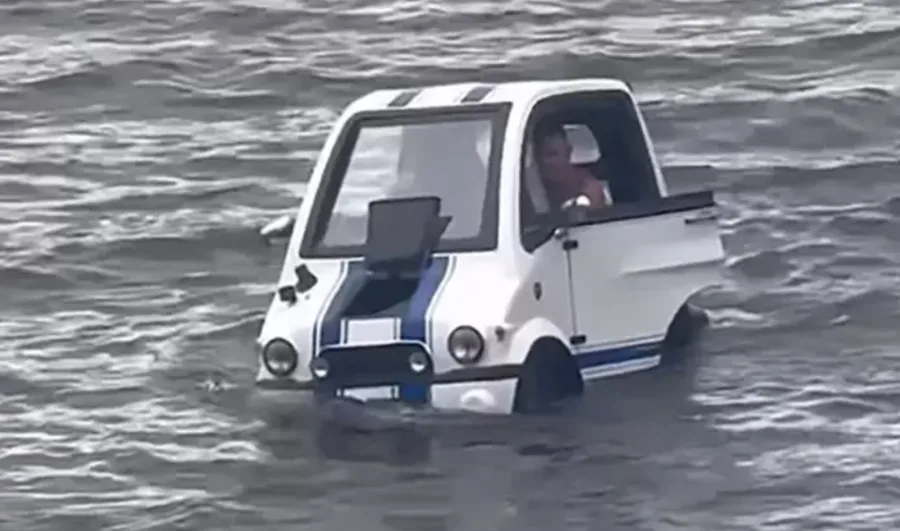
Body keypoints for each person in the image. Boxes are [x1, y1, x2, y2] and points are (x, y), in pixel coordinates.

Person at [532, 120, 609, 208]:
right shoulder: (528, 185)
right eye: (541, 154)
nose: (548, 162)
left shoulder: (585, 184)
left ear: (568, 152)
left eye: (553, 154)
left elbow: (592, 199)